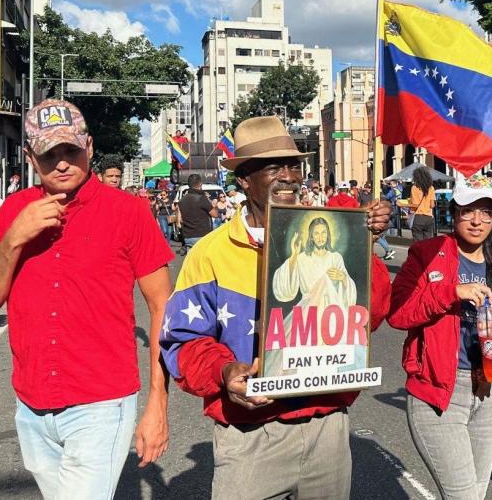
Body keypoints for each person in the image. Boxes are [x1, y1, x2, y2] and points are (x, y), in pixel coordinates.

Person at [160, 116, 392, 499]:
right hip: (250, 436)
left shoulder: (339, 236)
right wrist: (224, 371)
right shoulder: (211, 253)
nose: (289, 177)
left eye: (294, 166)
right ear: (244, 181)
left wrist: (365, 252)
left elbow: (370, 318)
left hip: (327, 427)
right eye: (274, 167)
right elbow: (181, 341)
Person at [0, 99, 175, 498]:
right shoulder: (14, 210)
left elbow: (164, 306)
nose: (62, 163)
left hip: (102, 403)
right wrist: (13, 239)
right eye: (49, 154)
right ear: (29, 157)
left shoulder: (128, 211)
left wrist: (157, 405)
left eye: (71, 150)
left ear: (89, 147)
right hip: (30, 404)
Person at [389, 175, 492, 499]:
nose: (477, 220)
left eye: (485, 211)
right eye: (468, 210)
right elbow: (398, 313)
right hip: (439, 395)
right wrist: (450, 292)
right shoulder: (426, 253)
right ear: (453, 213)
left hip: (488, 392)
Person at [267, 217, 358, 376]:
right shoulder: (302, 258)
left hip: (331, 320)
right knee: (304, 363)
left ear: (328, 235)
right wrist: (294, 255)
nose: (320, 237)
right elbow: (286, 291)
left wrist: (343, 279)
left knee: (329, 364)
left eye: (323, 232)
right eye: (316, 233)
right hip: (307, 318)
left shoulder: (335, 258)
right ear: (310, 236)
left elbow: (348, 293)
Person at [177, 174, 217, 250]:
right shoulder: (202, 198)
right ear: (200, 184)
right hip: (202, 235)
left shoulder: (182, 200)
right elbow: (215, 214)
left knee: (192, 260)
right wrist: (208, 199)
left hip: (188, 236)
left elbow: (181, 219)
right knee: (204, 260)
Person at [407, 167, 436, 241]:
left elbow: (415, 204)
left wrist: (407, 205)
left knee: (418, 243)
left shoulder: (414, 188)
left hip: (418, 217)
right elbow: (432, 205)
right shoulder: (431, 188)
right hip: (429, 218)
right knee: (428, 242)